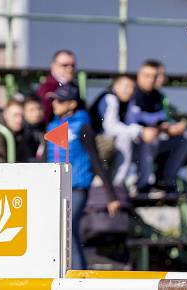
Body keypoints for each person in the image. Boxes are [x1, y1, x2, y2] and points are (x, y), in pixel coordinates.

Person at [45, 83, 120, 269]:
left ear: (71, 104)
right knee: (67, 232)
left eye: (60, 100)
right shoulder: (53, 125)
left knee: (67, 228)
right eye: (54, 99)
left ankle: (78, 275)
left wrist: (111, 196)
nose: (54, 103)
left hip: (77, 187)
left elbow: (96, 160)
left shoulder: (83, 126)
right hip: (53, 187)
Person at [127, 60, 187, 194]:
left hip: (152, 140)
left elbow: (161, 122)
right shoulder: (131, 91)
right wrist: (152, 130)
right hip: (130, 142)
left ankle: (166, 182)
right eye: (147, 75)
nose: (151, 80)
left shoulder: (158, 96)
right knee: (148, 139)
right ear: (139, 75)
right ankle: (143, 185)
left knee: (183, 140)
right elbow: (129, 122)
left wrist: (170, 129)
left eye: (154, 76)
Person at [90, 74, 147, 187]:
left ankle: (139, 182)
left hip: (106, 143)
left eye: (132, 88)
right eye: (126, 86)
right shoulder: (110, 98)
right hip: (95, 142)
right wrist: (140, 131)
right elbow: (110, 128)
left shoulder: (128, 102)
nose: (129, 91)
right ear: (116, 85)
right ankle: (118, 184)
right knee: (125, 138)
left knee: (143, 143)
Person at [37, 49, 77, 124]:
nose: (70, 69)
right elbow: (44, 118)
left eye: (73, 65)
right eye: (65, 65)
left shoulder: (73, 86)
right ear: (54, 66)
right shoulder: (47, 87)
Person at [23, 95, 46, 161]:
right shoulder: (20, 132)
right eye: (31, 109)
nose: (37, 113)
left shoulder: (48, 129)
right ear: (23, 111)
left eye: (39, 108)